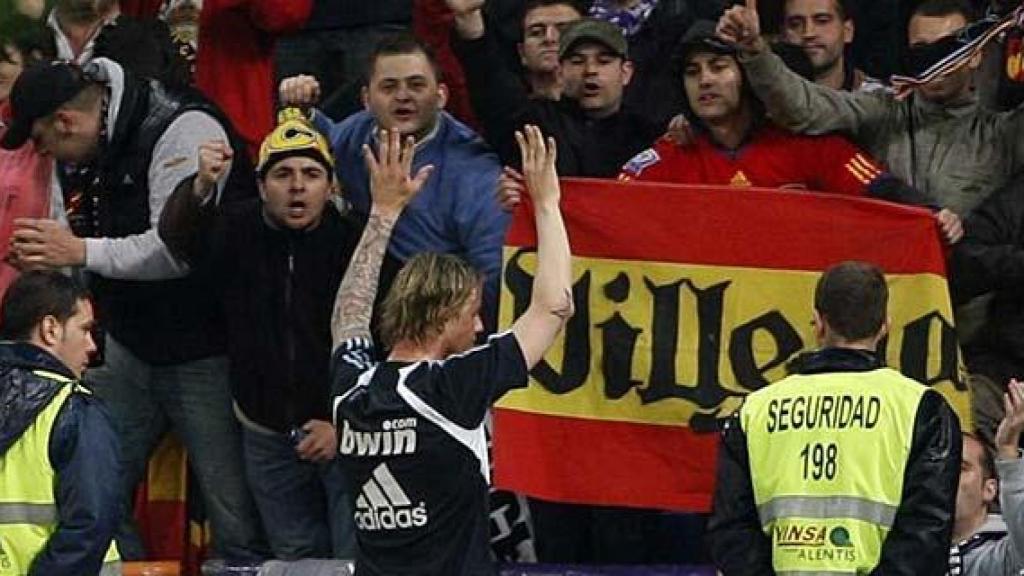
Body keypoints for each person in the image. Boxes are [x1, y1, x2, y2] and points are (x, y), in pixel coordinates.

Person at [2, 58, 265, 561]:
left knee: (231, 511)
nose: (42, 153)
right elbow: (85, 242)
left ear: (66, 122)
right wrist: (53, 260)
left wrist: (77, 251)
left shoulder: (181, 126)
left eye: (41, 140)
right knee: (94, 488)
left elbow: (174, 252)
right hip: (126, 345)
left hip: (205, 349)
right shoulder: (86, 151)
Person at [158, 109, 401, 560]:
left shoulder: (356, 243)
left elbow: (396, 344)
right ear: (261, 185)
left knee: (355, 557)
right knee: (295, 556)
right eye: (283, 174)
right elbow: (179, 240)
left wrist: (346, 423)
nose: (297, 186)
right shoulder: (235, 230)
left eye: (311, 174)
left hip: (349, 435)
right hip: (266, 433)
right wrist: (201, 186)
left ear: (331, 186)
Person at [329, 124, 572, 575]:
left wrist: (383, 213)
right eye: (472, 313)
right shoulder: (450, 389)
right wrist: (547, 204)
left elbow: (349, 316)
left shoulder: (352, 391)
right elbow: (555, 307)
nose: (479, 325)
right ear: (443, 315)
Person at [707, 260, 961, 575]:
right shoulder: (922, 409)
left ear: (818, 323)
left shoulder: (753, 411)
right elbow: (925, 536)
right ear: (885, 326)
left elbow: (731, 533)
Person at [616, 20, 962, 243]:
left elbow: (877, 186)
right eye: (692, 72)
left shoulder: (807, 144)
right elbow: (608, 204)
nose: (704, 80)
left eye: (718, 67)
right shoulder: (670, 153)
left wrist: (932, 213)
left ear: (748, 76)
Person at [278, 33, 509, 331]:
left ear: (441, 96)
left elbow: (493, 276)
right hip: (360, 301)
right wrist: (302, 109)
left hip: (438, 318)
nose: (403, 96)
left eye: (416, 85)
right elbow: (319, 143)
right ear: (366, 99)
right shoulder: (355, 134)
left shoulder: (475, 170)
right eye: (389, 87)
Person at [716, 0, 1024, 216]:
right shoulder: (883, 110)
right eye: (921, 49)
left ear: (975, 56)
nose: (933, 61)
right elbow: (804, 107)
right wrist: (755, 52)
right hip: (887, 279)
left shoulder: (1004, 134)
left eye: (948, 50)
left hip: (968, 286)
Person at [447, 6, 663, 177]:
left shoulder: (651, 138)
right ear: (560, 72)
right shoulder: (533, 125)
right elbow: (490, 82)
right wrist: (470, 22)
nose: (590, 70)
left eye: (603, 61)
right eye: (577, 61)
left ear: (626, 72)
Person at [0, 270, 121, 575]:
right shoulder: (74, 408)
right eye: (85, 329)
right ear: (50, 329)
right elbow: (90, 524)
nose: (92, 346)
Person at [951, 381, 1024, 575]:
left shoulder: (1007, 555)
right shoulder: (910, 550)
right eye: (941, 469)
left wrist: (1008, 449)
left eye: (961, 468)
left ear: (989, 489)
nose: (947, 478)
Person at [780, 0, 885, 92]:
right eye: (795, 24)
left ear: (847, 31)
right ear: (782, 35)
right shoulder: (771, 99)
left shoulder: (880, 100)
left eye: (822, 21)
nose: (808, 33)